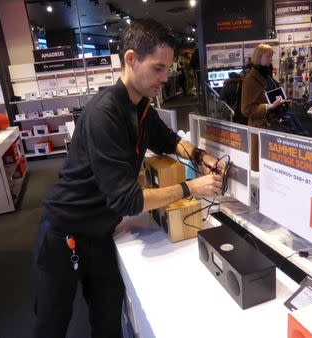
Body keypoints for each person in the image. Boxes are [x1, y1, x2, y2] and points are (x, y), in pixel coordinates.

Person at [33, 19, 223, 338]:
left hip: (101, 234)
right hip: (63, 237)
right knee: (51, 326)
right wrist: (192, 187)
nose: (165, 78)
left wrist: (199, 156)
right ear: (131, 58)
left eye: (168, 69)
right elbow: (127, 199)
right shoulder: (103, 115)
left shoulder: (141, 107)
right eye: (158, 68)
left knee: (108, 323)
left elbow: (167, 139)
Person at [242, 43, 307, 170]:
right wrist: (268, 106)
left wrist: (281, 102)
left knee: (274, 167)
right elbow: (246, 110)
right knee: (262, 167)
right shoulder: (250, 80)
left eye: (271, 57)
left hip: (273, 126)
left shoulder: (267, 76)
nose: (270, 60)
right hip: (261, 128)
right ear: (259, 57)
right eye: (268, 57)